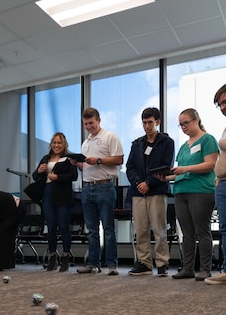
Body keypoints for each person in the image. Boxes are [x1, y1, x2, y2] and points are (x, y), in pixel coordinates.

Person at [72, 107, 124, 275]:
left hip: (105, 186)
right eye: (86, 124)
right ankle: (93, 263)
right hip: (87, 187)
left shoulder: (110, 137)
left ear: (99, 120)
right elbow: (86, 168)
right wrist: (78, 163)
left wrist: (99, 160)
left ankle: (112, 265)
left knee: (108, 228)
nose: (89, 127)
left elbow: (119, 159)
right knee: (92, 230)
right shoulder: (85, 143)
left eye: (91, 123)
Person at [170, 108, 219, 281]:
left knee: (202, 230)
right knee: (187, 232)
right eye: (181, 124)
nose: (183, 127)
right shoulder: (184, 146)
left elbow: (210, 164)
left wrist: (186, 169)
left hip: (201, 190)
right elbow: (179, 171)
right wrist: (165, 176)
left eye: (186, 123)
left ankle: (205, 269)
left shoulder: (208, 139)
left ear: (196, 120)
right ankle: (188, 268)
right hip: (180, 190)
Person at [126, 107, 175, 276]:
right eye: (144, 123)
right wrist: (139, 183)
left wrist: (148, 183)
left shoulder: (167, 142)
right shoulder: (137, 144)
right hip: (138, 192)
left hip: (157, 190)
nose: (147, 126)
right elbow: (130, 167)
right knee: (140, 230)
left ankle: (162, 263)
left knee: (159, 229)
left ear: (158, 122)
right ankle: (145, 264)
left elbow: (165, 166)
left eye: (150, 122)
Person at [32, 132, 78, 272]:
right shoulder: (46, 158)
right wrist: (39, 170)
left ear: (64, 144)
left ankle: (65, 257)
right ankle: (52, 256)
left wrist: (57, 177)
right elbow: (35, 177)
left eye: (59, 143)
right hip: (47, 194)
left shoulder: (69, 158)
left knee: (64, 226)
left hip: (63, 194)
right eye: (54, 142)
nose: (56, 145)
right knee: (51, 226)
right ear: (51, 144)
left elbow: (74, 176)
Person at [205, 85, 226, 285]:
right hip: (222, 183)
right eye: (220, 104)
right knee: (225, 228)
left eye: (225, 102)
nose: (223, 107)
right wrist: (218, 175)